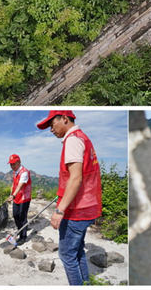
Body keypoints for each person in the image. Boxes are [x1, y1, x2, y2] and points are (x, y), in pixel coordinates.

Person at [37, 110, 102, 286]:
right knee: (77, 250)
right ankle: (86, 283)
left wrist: (59, 211)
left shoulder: (73, 140)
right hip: (87, 206)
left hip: (77, 209)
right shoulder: (83, 138)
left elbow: (75, 178)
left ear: (65, 119)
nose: (51, 130)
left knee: (66, 254)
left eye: (52, 125)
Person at [7, 153, 32, 244]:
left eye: (14, 164)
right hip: (16, 197)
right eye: (11, 164)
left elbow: (20, 185)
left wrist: (13, 195)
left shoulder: (24, 172)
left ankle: (23, 236)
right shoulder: (15, 172)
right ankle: (20, 229)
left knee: (22, 216)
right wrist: (11, 194)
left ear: (19, 162)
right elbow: (14, 184)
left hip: (24, 198)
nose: (12, 166)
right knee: (15, 215)